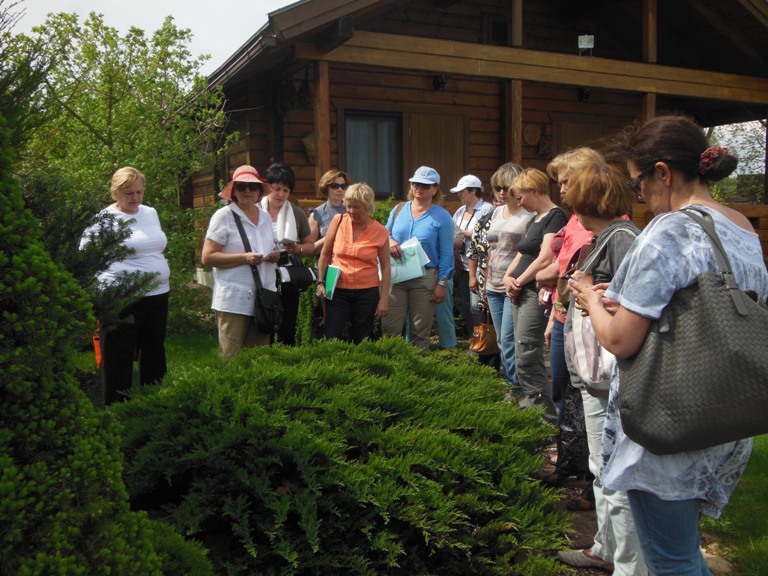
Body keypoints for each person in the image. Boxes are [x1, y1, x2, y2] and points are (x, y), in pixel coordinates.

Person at [570, 114, 768, 575]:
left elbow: (620, 340)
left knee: (671, 562)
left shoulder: (670, 230)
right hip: (724, 416)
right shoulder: (740, 226)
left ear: (663, 172)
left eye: (638, 184)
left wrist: (588, 298)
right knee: (682, 551)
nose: (638, 197)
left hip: (668, 424)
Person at [553, 154, 647, 575]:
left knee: (615, 470)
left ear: (588, 196)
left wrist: (595, 294)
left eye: (568, 184)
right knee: (600, 467)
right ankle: (605, 548)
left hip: (610, 379)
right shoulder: (604, 238)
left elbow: (638, 307)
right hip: (594, 379)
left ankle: (627, 561)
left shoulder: (622, 237)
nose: (563, 190)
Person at [82, 166, 171, 405]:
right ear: (115, 193)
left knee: (154, 350)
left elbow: (154, 245)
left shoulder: (150, 213)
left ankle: (154, 403)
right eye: (129, 193)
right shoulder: (104, 218)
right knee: (118, 356)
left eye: (139, 192)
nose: (136, 198)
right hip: (122, 298)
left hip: (158, 295)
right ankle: (117, 409)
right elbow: (87, 255)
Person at [505, 168, 568, 424]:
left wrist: (518, 281)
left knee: (528, 349)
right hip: (519, 289)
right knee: (518, 347)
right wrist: (508, 277)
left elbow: (545, 257)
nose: (519, 203)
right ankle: (531, 401)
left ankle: (544, 413)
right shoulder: (535, 219)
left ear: (534, 190)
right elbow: (522, 252)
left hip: (532, 291)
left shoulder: (555, 216)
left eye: (521, 197)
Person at [201, 165, 280, 361]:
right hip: (234, 298)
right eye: (241, 186)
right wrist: (244, 258)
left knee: (259, 358)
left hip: (263, 297)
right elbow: (208, 257)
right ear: (234, 191)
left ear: (260, 191)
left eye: (252, 187)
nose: (247, 191)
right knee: (231, 358)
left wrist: (272, 256)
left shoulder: (264, 216)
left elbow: (264, 248)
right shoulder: (224, 216)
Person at [384, 166, 455, 351]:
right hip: (396, 276)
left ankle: (416, 375)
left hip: (425, 278)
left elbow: (447, 254)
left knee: (419, 333)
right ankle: (388, 373)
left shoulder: (443, 217)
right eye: (415, 183)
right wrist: (390, 240)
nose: (419, 187)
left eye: (424, 184)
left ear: (435, 188)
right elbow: (384, 233)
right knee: (390, 329)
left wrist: (441, 284)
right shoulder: (399, 209)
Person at [316, 182, 390, 342]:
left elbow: (385, 267)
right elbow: (325, 254)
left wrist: (384, 299)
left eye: (357, 207)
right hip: (336, 289)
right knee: (332, 335)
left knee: (362, 338)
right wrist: (320, 282)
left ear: (368, 206)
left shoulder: (381, 231)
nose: (351, 211)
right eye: (348, 206)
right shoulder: (338, 221)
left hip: (366, 292)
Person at [479, 162, 531, 391]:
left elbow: (532, 251)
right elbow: (489, 248)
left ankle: (517, 387)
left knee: (510, 340)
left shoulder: (528, 216)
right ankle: (513, 384)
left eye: (506, 187)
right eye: (497, 187)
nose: (501, 192)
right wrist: (482, 281)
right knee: (501, 340)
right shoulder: (496, 211)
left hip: (514, 284)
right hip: (492, 283)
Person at [260, 162, 316, 346]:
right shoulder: (255, 211)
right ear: (267, 187)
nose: (281, 195)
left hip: (288, 277)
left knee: (287, 327)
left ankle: (288, 365)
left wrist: (297, 248)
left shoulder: (297, 213)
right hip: (261, 274)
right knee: (263, 323)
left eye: (286, 190)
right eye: (277, 189)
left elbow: (310, 246)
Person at [450, 174, 494, 337]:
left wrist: (465, 234)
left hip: (478, 265)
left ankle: (484, 338)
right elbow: (452, 231)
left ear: (473, 191)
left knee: (477, 305)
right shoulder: (460, 211)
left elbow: (485, 234)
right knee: (467, 305)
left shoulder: (487, 209)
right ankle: (472, 338)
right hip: (461, 263)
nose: (459, 195)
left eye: (462, 191)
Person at [308, 169, 351, 255]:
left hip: (349, 262)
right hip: (326, 264)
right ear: (326, 187)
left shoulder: (352, 210)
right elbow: (310, 249)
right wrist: (330, 236)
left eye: (343, 186)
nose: (340, 189)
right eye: (335, 186)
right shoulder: (317, 214)